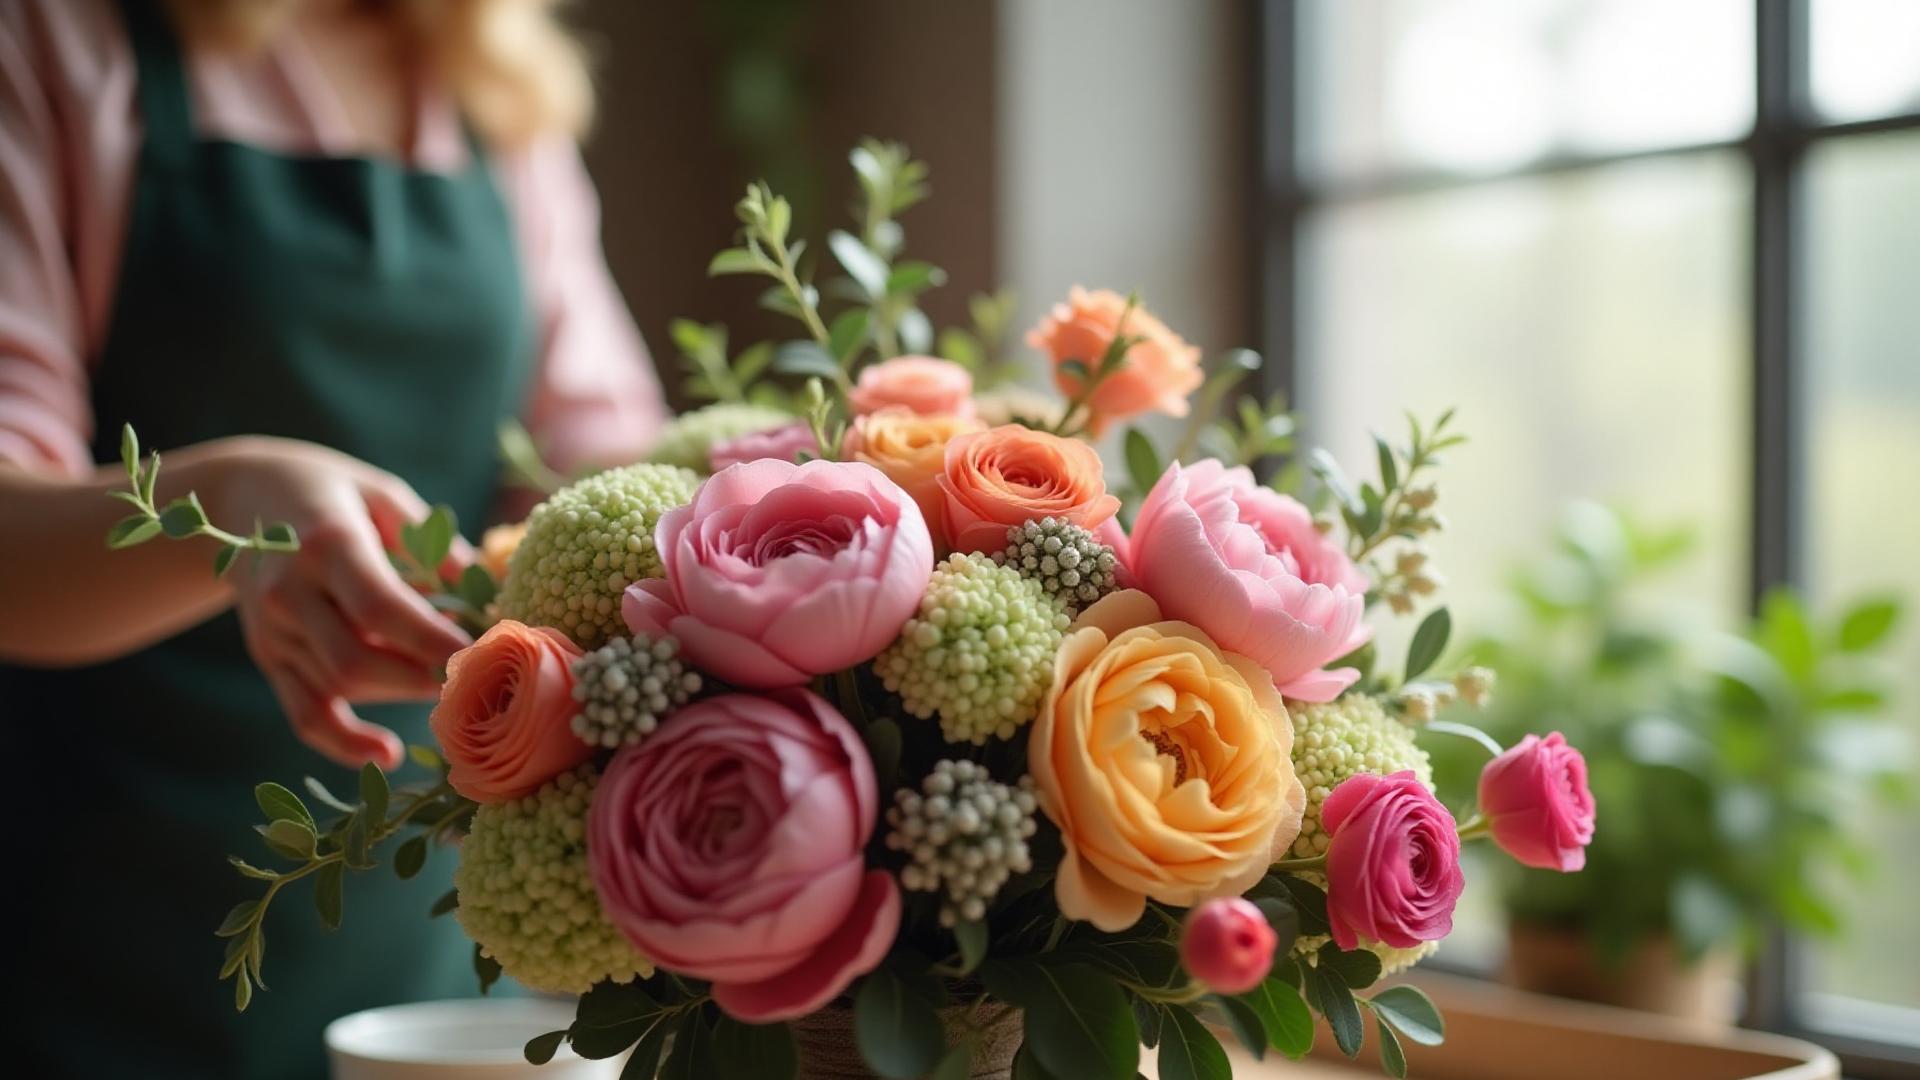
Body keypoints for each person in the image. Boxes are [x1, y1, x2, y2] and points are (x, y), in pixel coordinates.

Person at [0, 0, 666, 1075]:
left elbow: (602, 466)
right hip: (102, 947)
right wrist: (234, 503)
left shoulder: (492, 88)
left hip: (433, 950)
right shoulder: (52, 40)